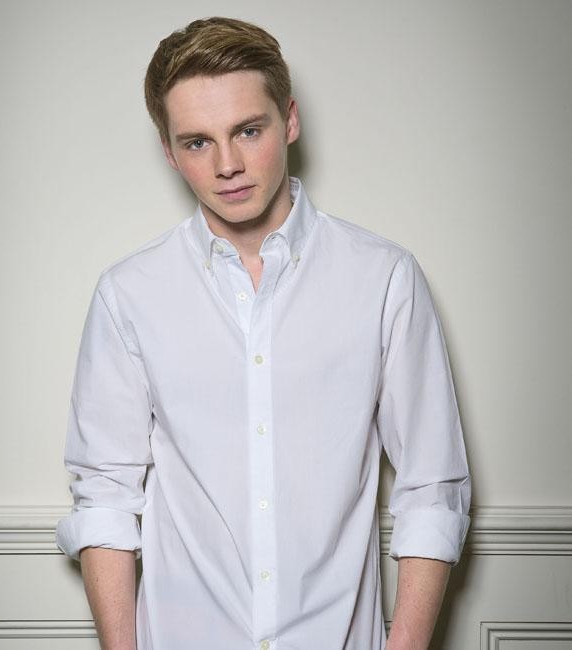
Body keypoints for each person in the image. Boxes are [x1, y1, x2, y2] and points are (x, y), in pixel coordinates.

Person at [55, 16, 471, 650]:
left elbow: (432, 487)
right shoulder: (129, 295)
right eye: (197, 142)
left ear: (290, 120)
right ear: (169, 152)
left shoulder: (384, 278)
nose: (228, 165)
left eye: (249, 130)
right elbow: (104, 498)